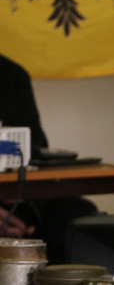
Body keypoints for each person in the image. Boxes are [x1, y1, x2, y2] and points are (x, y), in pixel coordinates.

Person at [0, 53, 97, 260]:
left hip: (18, 200)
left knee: (78, 213)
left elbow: (37, 147)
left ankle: (44, 279)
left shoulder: (11, 75)